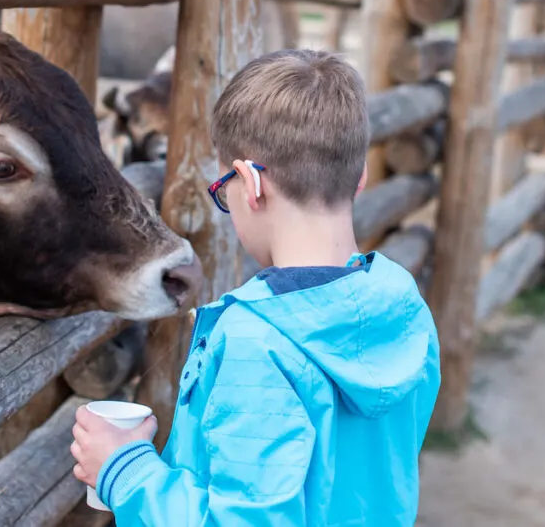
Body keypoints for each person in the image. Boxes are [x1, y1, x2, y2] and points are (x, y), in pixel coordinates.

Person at [70, 49, 441, 526]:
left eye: (224, 191)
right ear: (361, 175)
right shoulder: (404, 306)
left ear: (248, 184)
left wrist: (124, 471)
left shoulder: (258, 343)